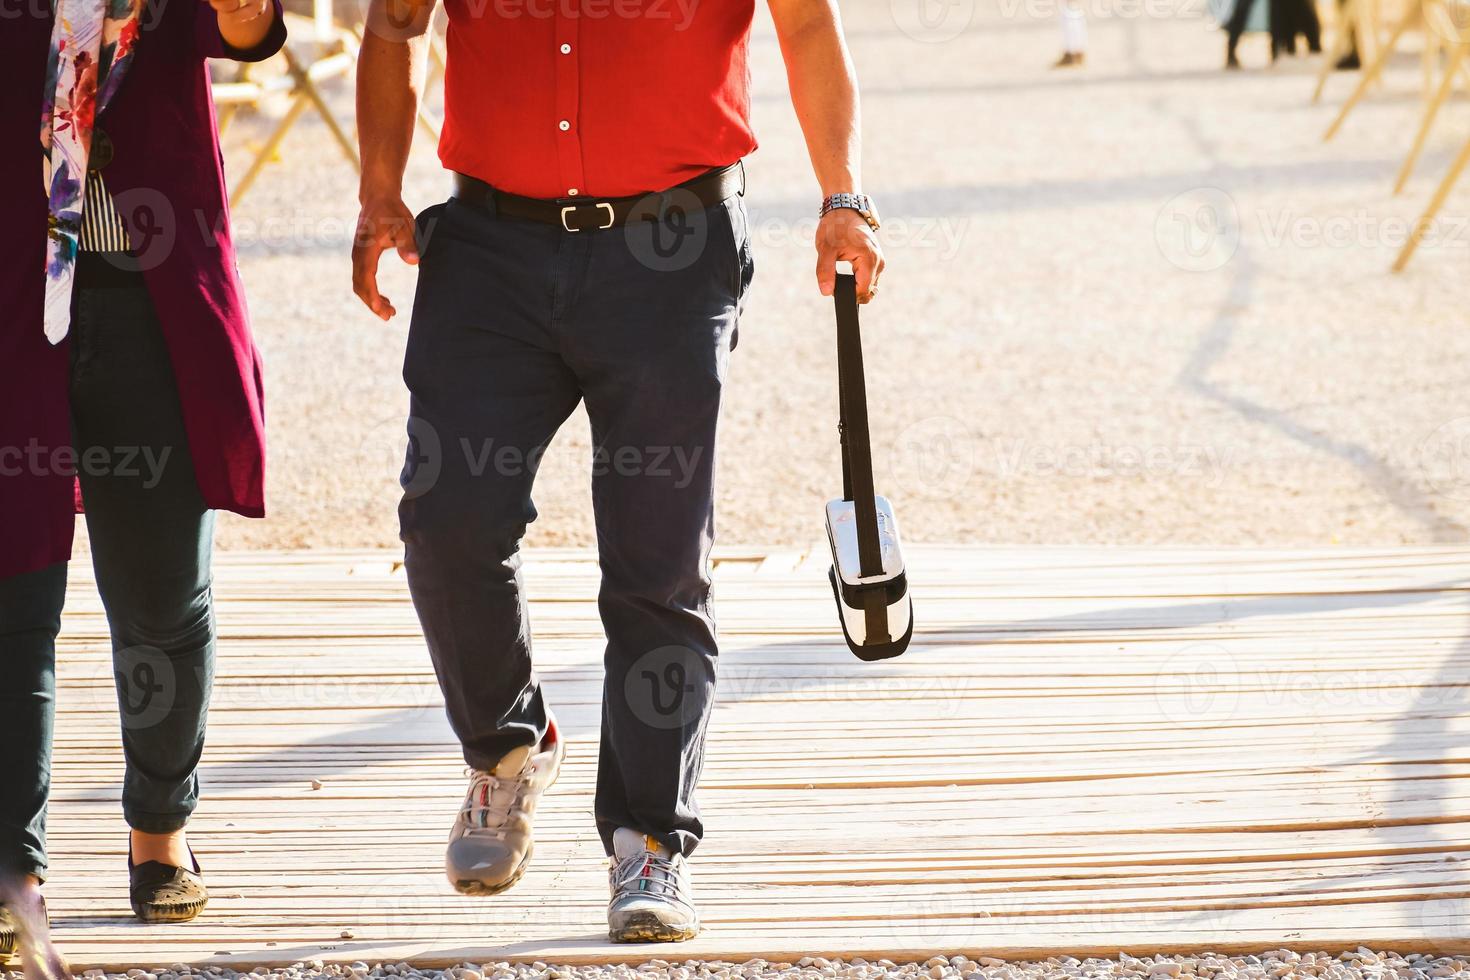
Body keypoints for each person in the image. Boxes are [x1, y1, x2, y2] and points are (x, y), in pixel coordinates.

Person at [352, 0, 885, 944]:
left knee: (658, 558)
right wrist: (380, 189)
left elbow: (806, 25)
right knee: (447, 521)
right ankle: (506, 752)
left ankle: (648, 842)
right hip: (487, 250)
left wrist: (842, 194)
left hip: (671, 250)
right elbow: (395, 26)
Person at [0, 0, 284, 971]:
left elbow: (246, 30)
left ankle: (161, 827)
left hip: (146, 295)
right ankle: (12, 877)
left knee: (163, 596)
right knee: (12, 593)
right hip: (9, 301)